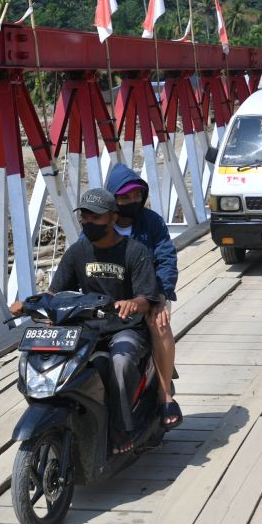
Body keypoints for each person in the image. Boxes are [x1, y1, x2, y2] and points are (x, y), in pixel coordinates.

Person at [10, 187, 156, 454]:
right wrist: (28, 305)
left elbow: (147, 298)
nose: (89, 222)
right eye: (84, 217)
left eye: (96, 217)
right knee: (62, 365)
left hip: (124, 329)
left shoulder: (135, 252)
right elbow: (54, 293)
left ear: (113, 217)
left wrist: (131, 304)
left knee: (120, 364)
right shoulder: (78, 252)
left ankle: (121, 428)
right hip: (86, 328)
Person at [104, 164, 181, 430]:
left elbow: (166, 259)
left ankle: (164, 394)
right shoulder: (100, 223)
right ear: (113, 199)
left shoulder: (151, 222)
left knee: (158, 325)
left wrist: (159, 296)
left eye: (136, 196)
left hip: (149, 292)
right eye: (124, 197)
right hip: (112, 297)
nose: (131, 201)